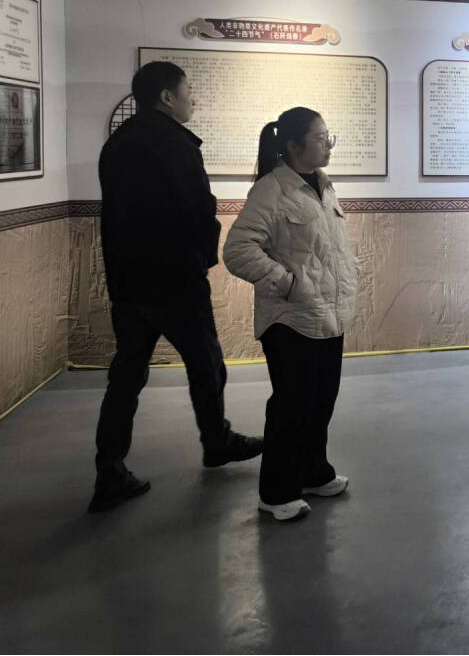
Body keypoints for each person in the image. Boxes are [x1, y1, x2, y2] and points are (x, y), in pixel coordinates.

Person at [90, 61, 262, 513]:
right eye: (188, 92)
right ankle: (216, 441)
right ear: (167, 97)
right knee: (206, 364)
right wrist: (202, 258)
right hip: (175, 280)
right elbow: (197, 209)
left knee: (126, 376)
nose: (193, 99)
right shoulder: (176, 144)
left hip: (129, 282)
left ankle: (109, 471)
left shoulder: (117, 144)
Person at [223, 108, 359, 523]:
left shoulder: (323, 184)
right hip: (291, 319)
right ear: (294, 145)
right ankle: (276, 491)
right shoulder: (271, 189)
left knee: (320, 402)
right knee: (292, 407)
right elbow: (238, 251)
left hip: (328, 315)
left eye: (329, 136)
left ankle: (313, 473)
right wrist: (287, 283)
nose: (328, 145)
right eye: (320, 137)